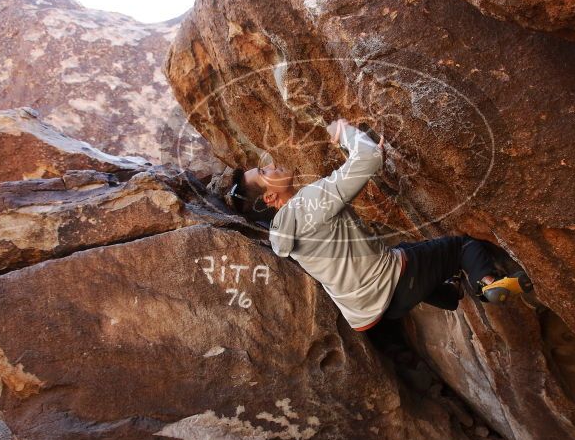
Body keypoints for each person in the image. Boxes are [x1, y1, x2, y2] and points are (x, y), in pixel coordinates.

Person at [225, 119, 532, 332]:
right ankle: (488, 283)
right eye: (264, 171)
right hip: (393, 283)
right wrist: (345, 132)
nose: (270, 164)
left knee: (406, 253)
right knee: (462, 246)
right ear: (269, 195)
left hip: (372, 313)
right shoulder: (308, 202)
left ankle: (450, 293)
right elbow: (369, 158)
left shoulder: (282, 232)